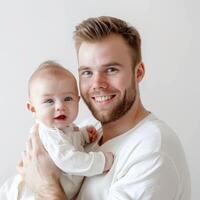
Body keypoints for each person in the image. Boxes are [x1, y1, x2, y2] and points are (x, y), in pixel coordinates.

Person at [17, 16, 191, 199]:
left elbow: (44, 178)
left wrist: (46, 186)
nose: (97, 84)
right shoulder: (88, 129)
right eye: (87, 72)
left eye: (111, 70)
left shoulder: (152, 150)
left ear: (138, 72)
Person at [0, 61, 114, 199]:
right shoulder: (49, 133)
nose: (60, 106)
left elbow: (70, 140)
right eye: (49, 101)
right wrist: (101, 162)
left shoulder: (65, 127)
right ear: (33, 109)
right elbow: (69, 159)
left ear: (78, 101)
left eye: (67, 98)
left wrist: (84, 135)